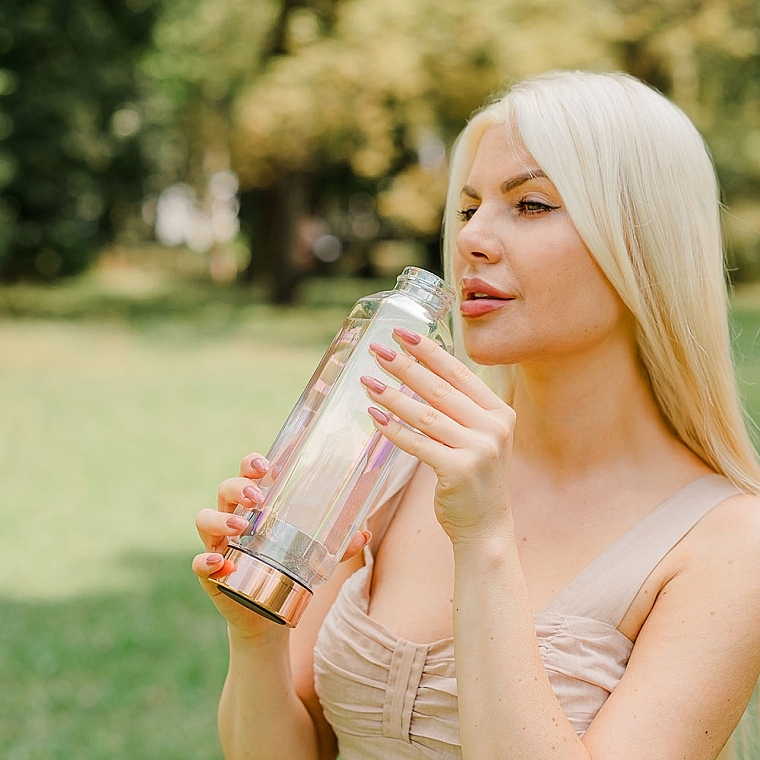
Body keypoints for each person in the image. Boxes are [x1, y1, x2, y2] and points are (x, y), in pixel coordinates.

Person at [193, 70, 760, 760]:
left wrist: (484, 536)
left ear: (643, 243)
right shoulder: (397, 457)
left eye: (530, 204)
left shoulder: (729, 543)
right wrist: (258, 635)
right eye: (467, 211)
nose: (472, 241)